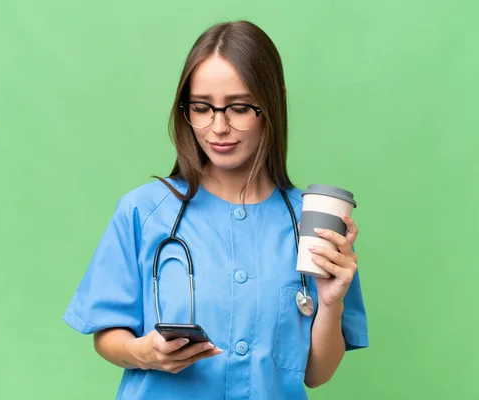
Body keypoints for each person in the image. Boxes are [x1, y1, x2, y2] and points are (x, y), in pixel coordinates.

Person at [63, 20, 368, 400]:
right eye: (202, 107)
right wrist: (144, 353)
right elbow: (106, 335)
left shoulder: (312, 224)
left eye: (239, 108)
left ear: (272, 103)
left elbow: (316, 374)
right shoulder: (142, 211)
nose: (217, 127)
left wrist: (331, 300)